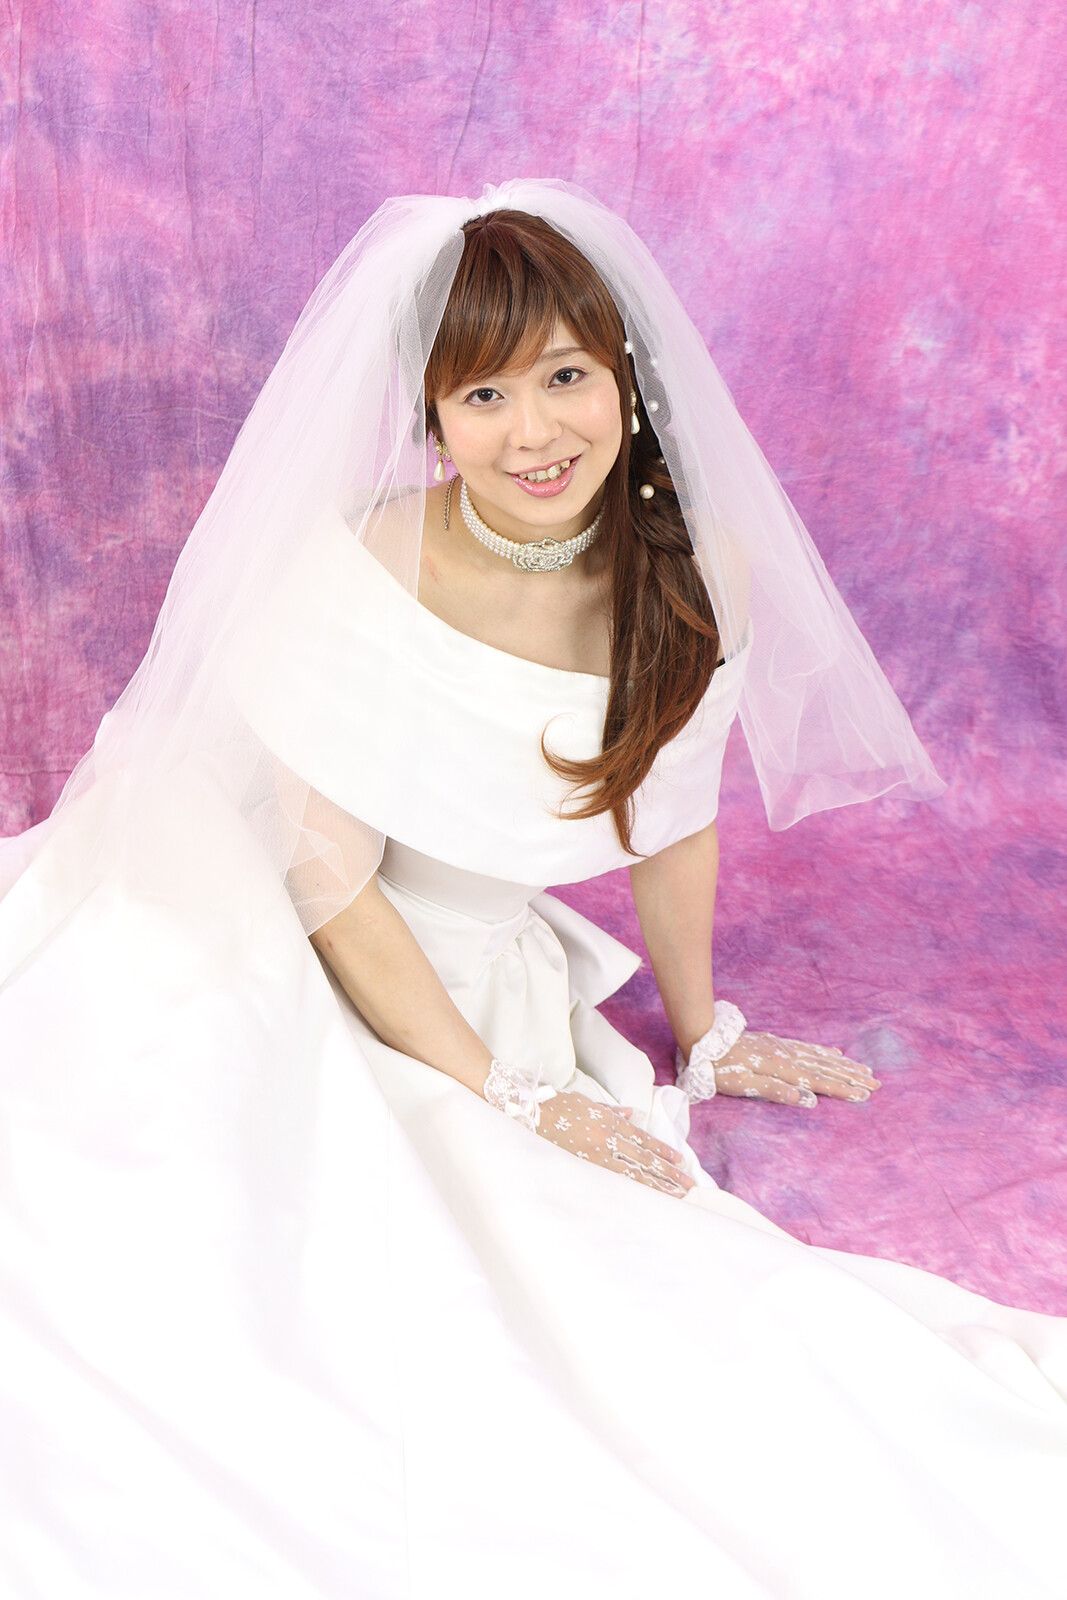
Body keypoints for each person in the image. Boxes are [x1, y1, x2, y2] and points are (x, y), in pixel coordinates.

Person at [0, 181, 1063, 1600]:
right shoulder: (362, 563)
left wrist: (707, 1029)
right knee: (190, 1250)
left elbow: (673, 821)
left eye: (565, 376)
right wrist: (511, 1090)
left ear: (624, 373)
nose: (534, 432)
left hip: (468, 956)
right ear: (431, 419)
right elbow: (327, 885)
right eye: (483, 395)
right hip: (259, 924)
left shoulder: (698, 572)